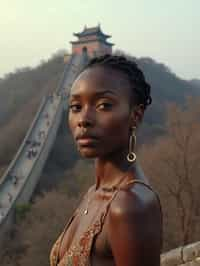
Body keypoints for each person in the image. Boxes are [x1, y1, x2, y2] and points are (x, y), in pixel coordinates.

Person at [50, 54, 162, 266]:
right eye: (76, 107)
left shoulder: (129, 206)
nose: (83, 120)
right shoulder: (94, 192)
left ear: (135, 116)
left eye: (103, 105)